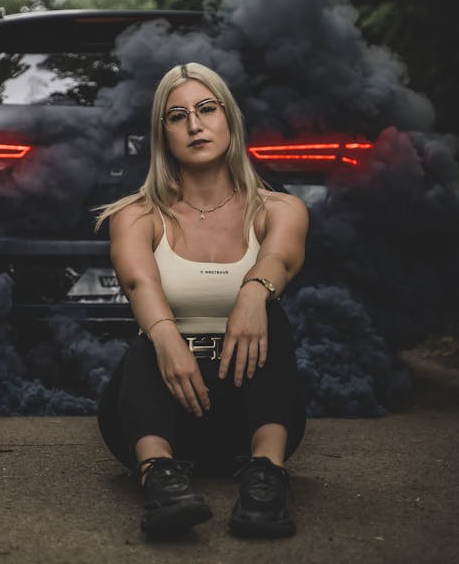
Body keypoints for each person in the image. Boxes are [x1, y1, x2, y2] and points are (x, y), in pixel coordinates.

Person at [96, 61, 309, 538]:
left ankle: (266, 478)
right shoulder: (135, 215)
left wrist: (253, 294)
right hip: (162, 412)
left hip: (247, 415)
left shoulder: (281, 209)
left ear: (228, 120)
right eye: (177, 116)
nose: (195, 125)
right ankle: (159, 480)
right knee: (147, 344)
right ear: (163, 135)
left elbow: (280, 259)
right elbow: (139, 285)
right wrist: (167, 336)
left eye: (207, 109)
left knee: (272, 319)